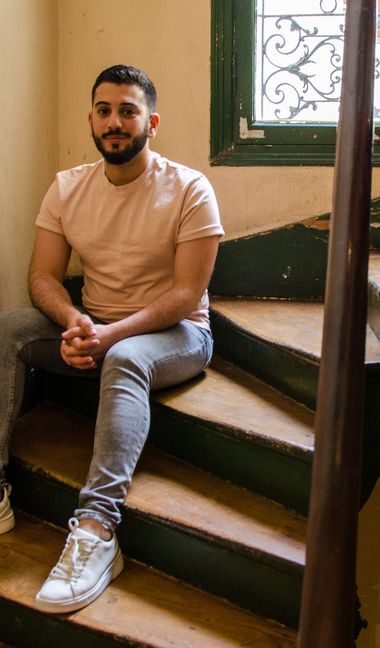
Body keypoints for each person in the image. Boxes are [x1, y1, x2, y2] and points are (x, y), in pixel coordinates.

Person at [0, 64, 223, 613]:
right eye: (104, 110)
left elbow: (187, 291)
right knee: (7, 329)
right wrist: (75, 321)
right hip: (95, 324)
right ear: (92, 120)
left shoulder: (190, 187)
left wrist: (108, 334)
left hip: (177, 334)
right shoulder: (67, 187)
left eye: (128, 111)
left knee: (124, 357)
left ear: (152, 123)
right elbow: (43, 278)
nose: (115, 122)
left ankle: (98, 530)